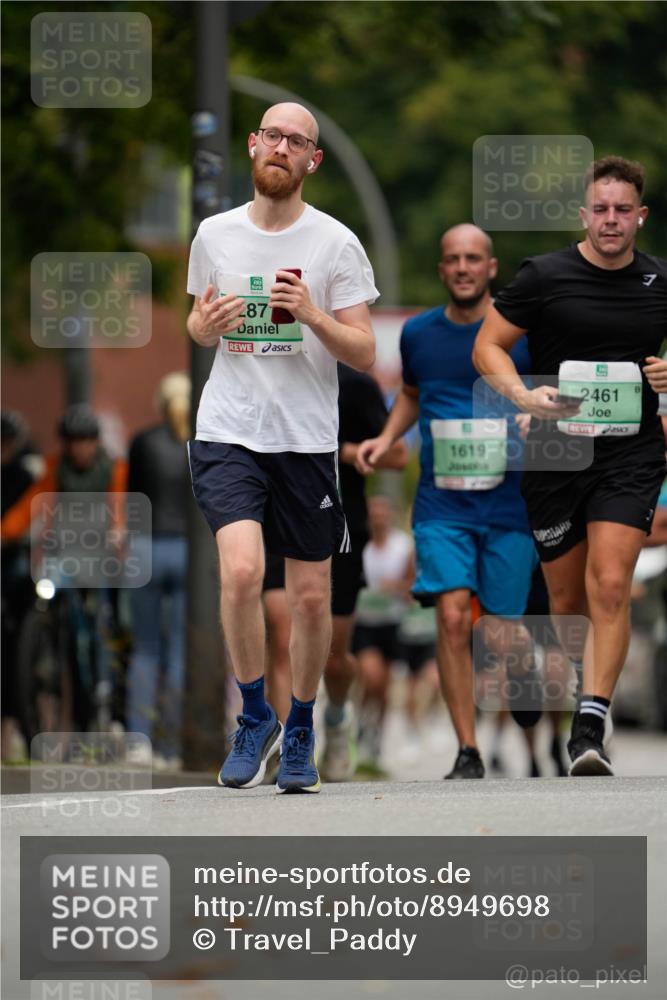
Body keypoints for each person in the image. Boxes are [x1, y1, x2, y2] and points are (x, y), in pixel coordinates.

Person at [186, 102, 378, 794]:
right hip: (229, 428)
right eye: (274, 136)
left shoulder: (334, 244)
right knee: (240, 575)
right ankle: (253, 714)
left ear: (311, 161)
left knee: (307, 598)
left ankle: (301, 727)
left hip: (304, 439)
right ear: (252, 144)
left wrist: (313, 315)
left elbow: (362, 349)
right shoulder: (213, 233)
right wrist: (202, 326)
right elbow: (198, 321)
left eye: (298, 142)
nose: (283, 148)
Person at [472, 156, 667, 776]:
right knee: (566, 596)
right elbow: (488, 347)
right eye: (600, 209)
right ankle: (584, 678)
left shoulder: (661, 281)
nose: (611, 221)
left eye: (623, 210)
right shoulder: (544, 276)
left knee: (610, 584)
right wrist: (524, 396)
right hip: (556, 447)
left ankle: (590, 720)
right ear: (585, 215)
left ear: (640, 215)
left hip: (631, 451)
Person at [357, 224, 538, 779]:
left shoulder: (522, 335)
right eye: (452, 258)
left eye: (473, 259)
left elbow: (545, 392)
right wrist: (388, 438)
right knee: (455, 617)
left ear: (490, 268)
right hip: (443, 503)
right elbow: (411, 395)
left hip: (509, 500)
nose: (462, 267)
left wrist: (535, 415)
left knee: (502, 633)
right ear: (442, 270)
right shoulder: (417, 334)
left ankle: (524, 661)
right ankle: (468, 750)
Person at [261, 364, 408, 782]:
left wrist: (342, 451)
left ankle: (338, 719)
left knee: (333, 654)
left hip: (340, 525)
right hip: (280, 519)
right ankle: (291, 744)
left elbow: (397, 455)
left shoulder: (355, 386)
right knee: (283, 630)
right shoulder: (269, 374)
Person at [125, 373, 191, 768]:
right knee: (182, 651)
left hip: (145, 547)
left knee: (146, 648)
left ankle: (139, 741)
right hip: (187, 550)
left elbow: (133, 498)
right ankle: (174, 746)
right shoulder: (198, 441)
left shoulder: (142, 442)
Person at [353, 495, 414, 770]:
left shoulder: (403, 546)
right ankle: (361, 722)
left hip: (392, 622)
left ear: (389, 515)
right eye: (373, 514)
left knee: (385, 688)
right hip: (364, 622)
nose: (378, 518)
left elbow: (413, 587)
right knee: (371, 676)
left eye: (382, 513)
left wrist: (397, 587)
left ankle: (376, 733)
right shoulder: (358, 545)